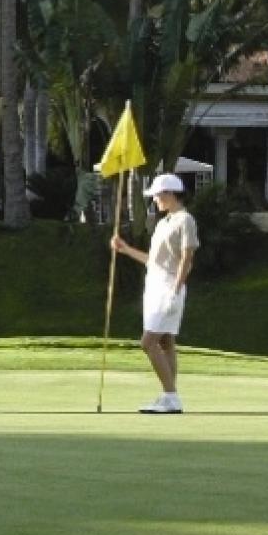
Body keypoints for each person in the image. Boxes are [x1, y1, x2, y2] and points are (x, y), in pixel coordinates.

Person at [109, 173, 199, 414]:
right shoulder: (163, 223)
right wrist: (126, 250)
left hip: (170, 288)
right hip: (155, 286)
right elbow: (154, 261)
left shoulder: (185, 220)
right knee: (166, 341)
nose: (155, 200)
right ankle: (170, 395)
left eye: (158, 195)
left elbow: (186, 259)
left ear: (170, 194)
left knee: (147, 342)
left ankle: (171, 396)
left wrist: (175, 290)